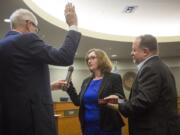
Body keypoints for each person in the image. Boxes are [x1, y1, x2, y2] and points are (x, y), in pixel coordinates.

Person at [0, 3, 81, 135]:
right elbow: (64, 57)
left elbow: (17, 87)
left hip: (8, 123)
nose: (35, 32)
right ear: (29, 24)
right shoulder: (27, 39)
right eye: (36, 29)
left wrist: (49, 86)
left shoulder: (2, 46)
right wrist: (73, 25)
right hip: (34, 123)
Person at [105, 34, 179, 135]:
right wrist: (120, 100)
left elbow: (142, 102)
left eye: (134, 50)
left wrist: (119, 105)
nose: (131, 53)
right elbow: (145, 98)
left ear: (145, 52)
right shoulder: (159, 66)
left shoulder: (150, 68)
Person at [57, 48, 125, 135]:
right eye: (88, 59)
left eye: (93, 58)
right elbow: (78, 102)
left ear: (102, 60)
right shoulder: (86, 81)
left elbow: (122, 101)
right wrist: (70, 87)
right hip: (88, 128)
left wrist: (109, 101)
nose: (89, 61)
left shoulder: (114, 78)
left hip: (108, 127)